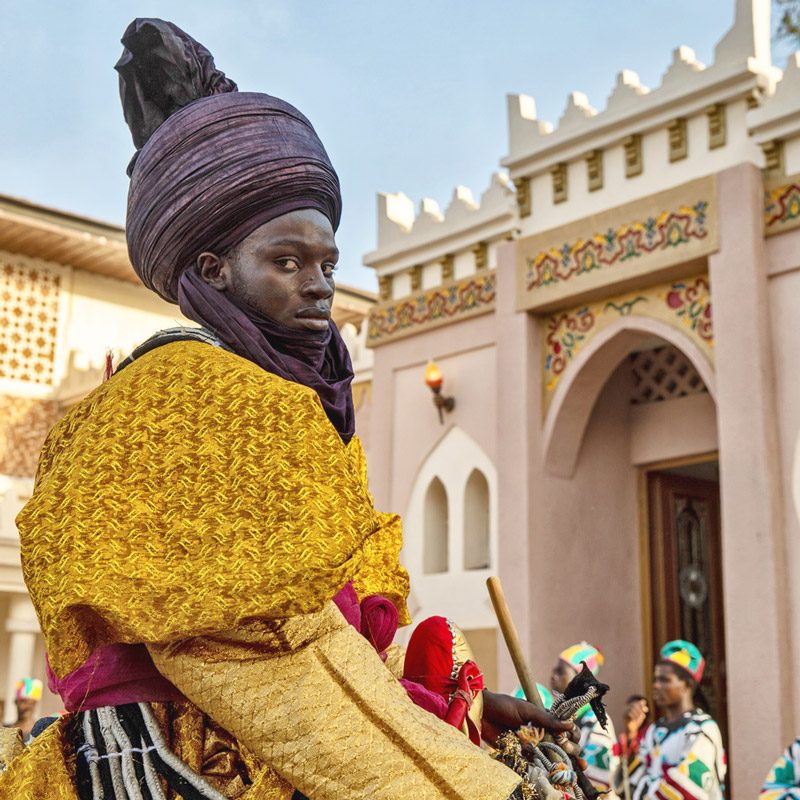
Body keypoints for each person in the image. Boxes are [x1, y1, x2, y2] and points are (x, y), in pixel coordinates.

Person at [0, 18, 573, 800]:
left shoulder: (290, 401)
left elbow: (329, 639)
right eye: (287, 260)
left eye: (328, 262)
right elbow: (267, 663)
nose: (319, 284)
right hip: (190, 766)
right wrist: (464, 783)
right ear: (214, 270)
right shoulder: (190, 396)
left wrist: (464, 712)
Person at [619, 640, 725, 800]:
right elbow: (628, 785)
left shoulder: (702, 728)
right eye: (655, 680)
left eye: (664, 680)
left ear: (687, 685)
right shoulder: (654, 731)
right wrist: (631, 733)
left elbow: (688, 786)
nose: (656, 685)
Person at [550, 642, 620, 797]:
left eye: (561, 672)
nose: (553, 676)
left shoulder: (594, 721)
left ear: (579, 680)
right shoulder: (560, 716)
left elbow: (598, 777)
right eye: (555, 670)